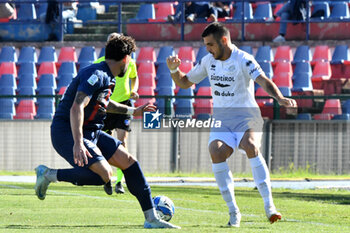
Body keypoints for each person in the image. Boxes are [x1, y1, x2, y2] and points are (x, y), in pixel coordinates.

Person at [34, 34, 180, 229]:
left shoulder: (107, 75)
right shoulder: (96, 74)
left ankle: (151, 218)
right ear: (126, 59)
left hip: (91, 133)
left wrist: (132, 111)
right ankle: (49, 174)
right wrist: (78, 143)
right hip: (67, 132)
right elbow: (76, 107)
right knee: (105, 174)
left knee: (129, 162)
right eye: (131, 60)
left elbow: (104, 102)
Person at [166, 22, 297, 227]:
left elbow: (263, 80)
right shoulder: (208, 61)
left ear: (224, 41)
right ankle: (233, 212)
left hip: (247, 117)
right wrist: (174, 69)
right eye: (206, 45)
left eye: (210, 44)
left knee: (250, 146)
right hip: (222, 120)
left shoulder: (244, 59)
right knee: (215, 151)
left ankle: (270, 207)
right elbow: (184, 82)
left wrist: (280, 98)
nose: (208, 49)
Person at [94, 32, 139, 195]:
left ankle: (120, 181)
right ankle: (106, 178)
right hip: (106, 106)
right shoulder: (99, 63)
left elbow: (135, 77)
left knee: (122, 141)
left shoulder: (129, 62)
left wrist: (134, 90)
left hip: (124, 104)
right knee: (102, 144)